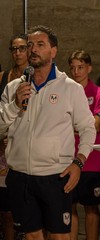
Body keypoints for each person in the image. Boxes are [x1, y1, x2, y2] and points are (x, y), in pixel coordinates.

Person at [0, 25, 96, 240]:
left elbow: (88, 129)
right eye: (30, 45)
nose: (33, 49)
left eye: (40, 45)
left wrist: (79, 162)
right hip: (20, 176)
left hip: (55, 176)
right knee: (32, 236)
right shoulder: (14, 87)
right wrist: (15, 105)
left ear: (53, 51)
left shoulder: (70, 88)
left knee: (58, 236)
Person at [68, 50, 100, 240]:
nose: (76, 71)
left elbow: (96, 125)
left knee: (91, 207)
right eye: (73, 67)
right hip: (68, 157)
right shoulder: (65, 92)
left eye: (81, 67)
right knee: (70, 205)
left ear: (89, 68)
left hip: (92, 159)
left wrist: (75, 127)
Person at [0, 33, 28, 240]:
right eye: (14, 49)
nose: (17, 53)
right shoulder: (4, 77)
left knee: (28, 208)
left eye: (22, 48)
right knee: (6, 209)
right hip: (3, 147)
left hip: (25, 146)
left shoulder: (36, 76)